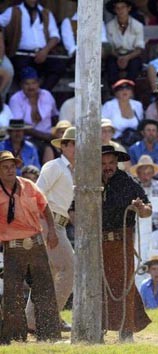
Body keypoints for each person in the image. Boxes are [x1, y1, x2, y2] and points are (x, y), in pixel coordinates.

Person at [0, 150, 60, 344]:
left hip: (36, 244)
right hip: (12, 247)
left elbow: (45, 207)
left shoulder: (28, 185)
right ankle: (15, 336)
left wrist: (51, 230)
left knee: (45, 290)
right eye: (5, 167)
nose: (10, 170)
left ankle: (49, 334)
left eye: (12, 166)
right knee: (13, 292)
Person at [25, 127, 76, 334]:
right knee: (70, 268)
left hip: (57, 223)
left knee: (49, 273)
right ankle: (50, 316)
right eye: (72, 143)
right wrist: (47, 228)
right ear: (63, 146)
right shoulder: (55, 166)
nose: (77, 148)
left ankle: (30, 321)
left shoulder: (71, 170)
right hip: (50, 223)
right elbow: (36, 195)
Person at [101, 145, 152, 342]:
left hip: (122, 241)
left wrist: (140, 208)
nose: (108, 167)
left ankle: (126, 331)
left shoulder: (127, 181)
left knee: (125, 285)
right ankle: (98, 329)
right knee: (98, 286)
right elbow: (73, 211)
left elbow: (147, 210)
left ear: (117, 163)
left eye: (111, 163)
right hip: (97, 243)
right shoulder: (90, 182)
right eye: (103, 163)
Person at [0, 0, 66, 90]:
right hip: (21, 55)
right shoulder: (14, 11)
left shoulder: (46, 13)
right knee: (25, 71)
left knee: (59, 66)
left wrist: (45, 51)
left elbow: (55, 36)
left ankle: (43, 93)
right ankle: (29, 95)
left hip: (43, 54)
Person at [8, 66, 58, 149]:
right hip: (26, 140)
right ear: (21, 85)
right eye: (27, 84)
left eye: (34, 83)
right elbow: (19, 126)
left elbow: (55, 116)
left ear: (38, 83)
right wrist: (46, 137)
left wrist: (56, 133)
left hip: (49, 138)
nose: (31, 87)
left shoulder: (47, 95)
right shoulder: (15, 99)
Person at [105, 0, 145, 86]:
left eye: (123, 7)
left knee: (135, 65)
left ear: (129, 8)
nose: (120, 10)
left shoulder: (138, 25)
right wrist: (119, 57)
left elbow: (139, 48)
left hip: (132, 55)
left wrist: (127, 58)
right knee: (110, 65)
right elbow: (109, 47)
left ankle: (129, 89)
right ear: (115, 10)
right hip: (115, 54)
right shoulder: (109, 26)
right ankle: (114, 90)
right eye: (117, 8)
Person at [129, 154, 158, 230]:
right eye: (143, 173)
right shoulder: (132, 188)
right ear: (138, 173)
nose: (146, 177)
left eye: (148, 173)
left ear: (153, 173)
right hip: (137, 229)